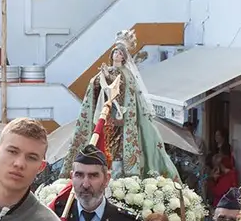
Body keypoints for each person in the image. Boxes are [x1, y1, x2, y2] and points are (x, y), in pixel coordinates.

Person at [62, 30, 178, 181]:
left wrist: (107, 77)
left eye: (120, 53)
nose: (117, 55)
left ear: (124, 57)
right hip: (106, 117)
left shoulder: (127, 75)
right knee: (102, 146)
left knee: (117, 151)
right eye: (115, 52)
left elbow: (121, 89)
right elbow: (96, 86)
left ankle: (118, 177)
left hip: (120, 119)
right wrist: (101, 77)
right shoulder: (107, 71)